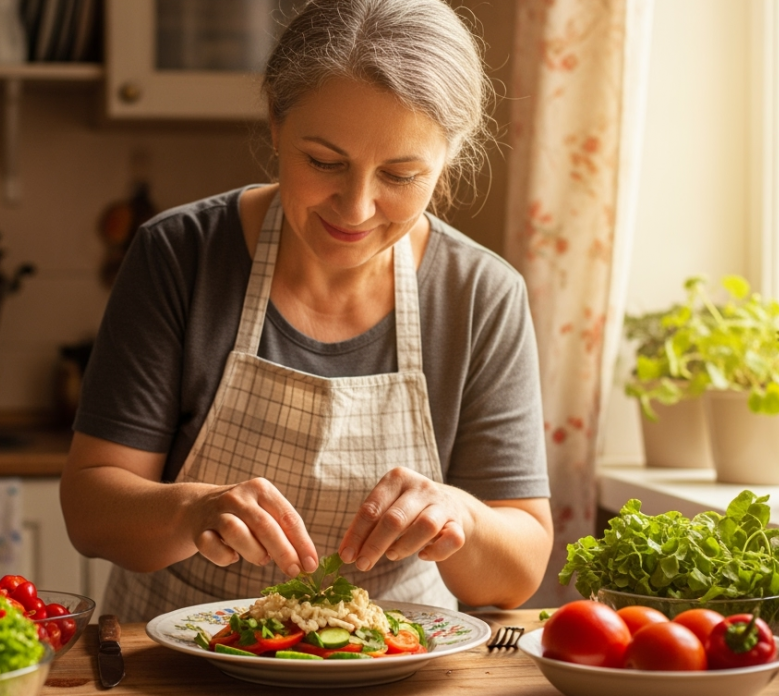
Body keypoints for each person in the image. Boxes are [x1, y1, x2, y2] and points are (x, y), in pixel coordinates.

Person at [60, 0, 553, 621]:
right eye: (324, 162)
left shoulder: (481, 294)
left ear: (448, 157)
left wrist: (464, 517)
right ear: (274, 122)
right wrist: (191, 512)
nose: (355, 208)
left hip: (399, 669)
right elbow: (91, 508)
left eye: (400, 175)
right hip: (182, 668)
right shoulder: (180, 255)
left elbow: (520, 570)